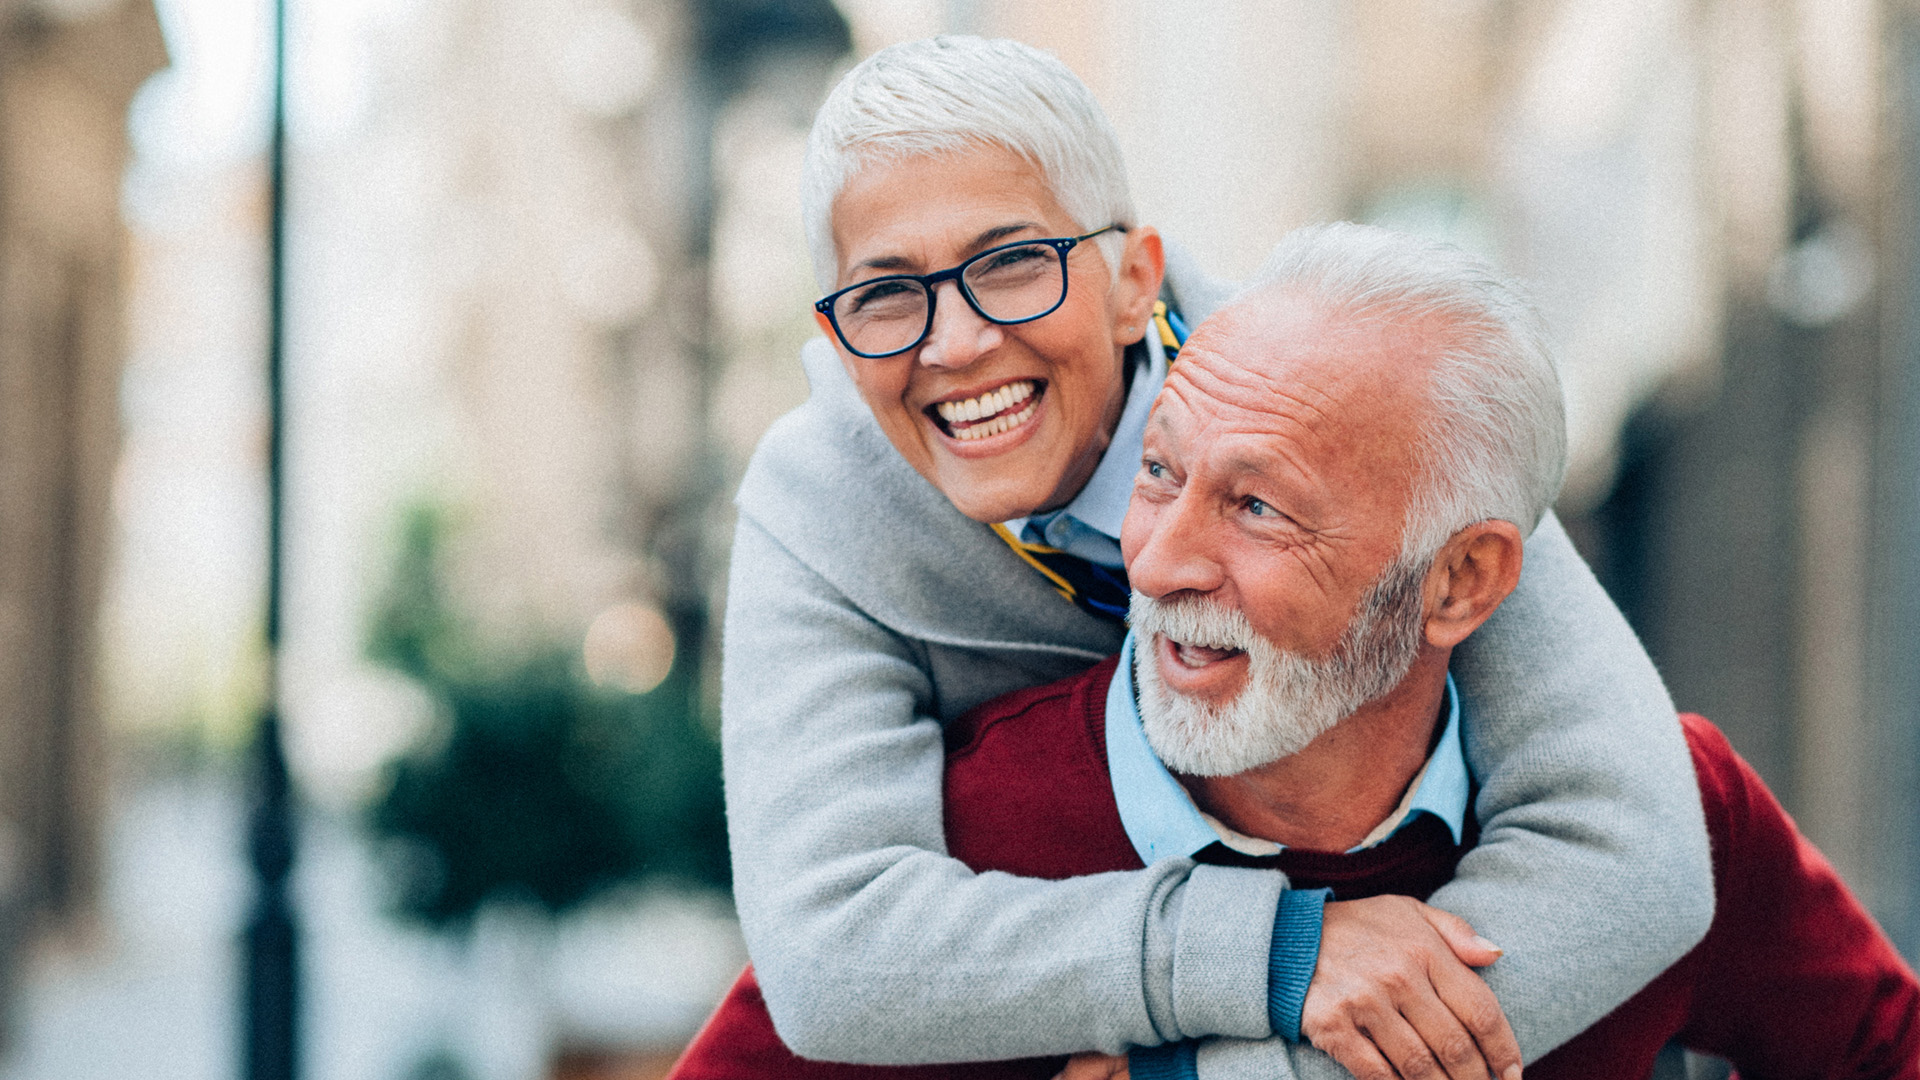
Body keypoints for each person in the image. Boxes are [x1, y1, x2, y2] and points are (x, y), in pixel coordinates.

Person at [679, 223, 1920, 1080]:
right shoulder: (970, 856)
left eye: (1258, 506)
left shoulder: (1674, 805)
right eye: (1158, 474)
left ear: (1463, 582)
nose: (1157, 562)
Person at [712, 35, 1712, 1078]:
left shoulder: (1345, 399)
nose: (954, 343)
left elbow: (1630, 853)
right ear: (833, 334)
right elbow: (834, 957)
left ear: (1132, 278)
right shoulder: (816, 508)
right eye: (885, 295)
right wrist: (1267, 951)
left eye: (1011, 265)